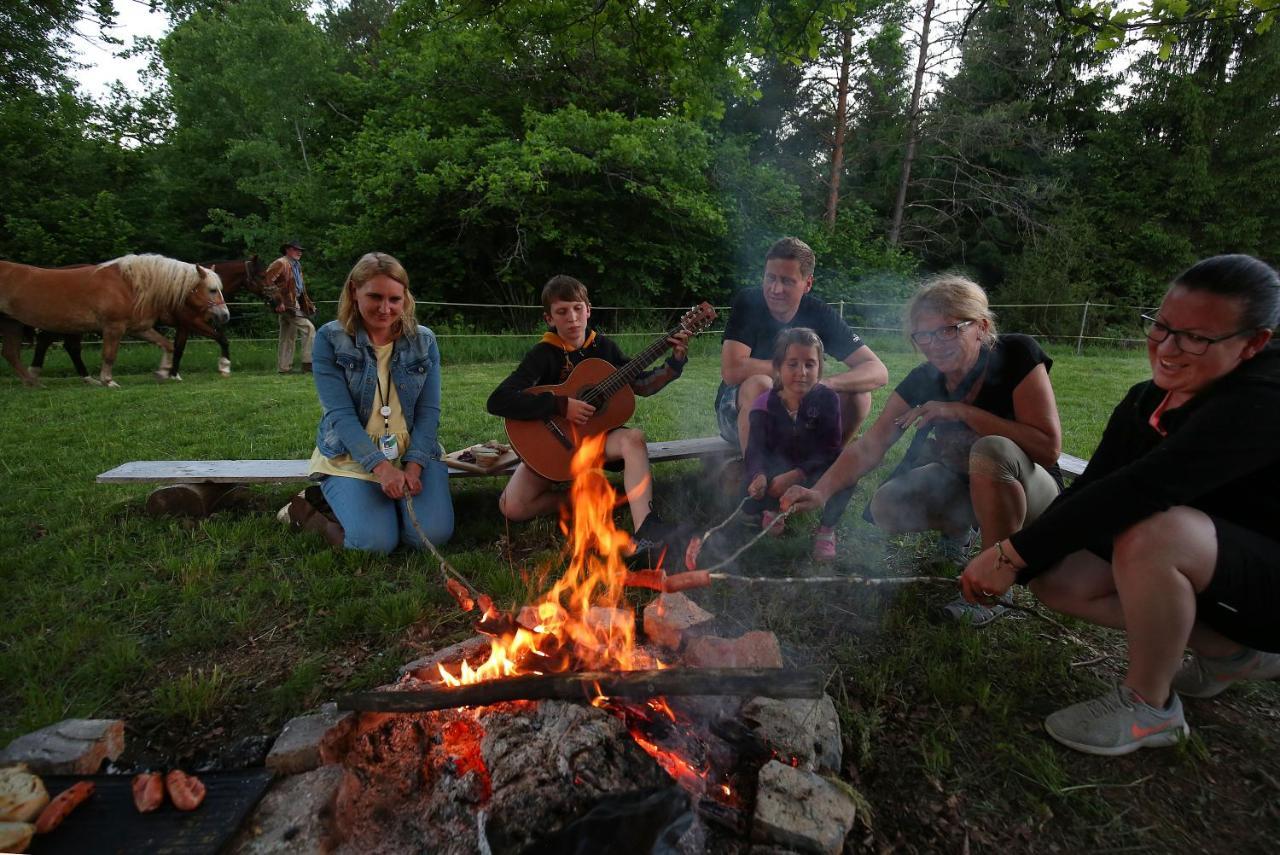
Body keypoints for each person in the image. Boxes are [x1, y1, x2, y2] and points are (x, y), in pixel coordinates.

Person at [958, 254, 1280, 756]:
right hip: (1221, 568)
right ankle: (1233, 655)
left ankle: (1151, 708)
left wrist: (1007, 555)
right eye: (1163, 327)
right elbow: (1094, 490)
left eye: (1196, 337)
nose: (1168, 349)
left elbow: (1144, 489)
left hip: (1265, 574)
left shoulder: (1264, 398)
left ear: (1254, 343)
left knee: (1157, 534)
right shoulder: (1144, 400)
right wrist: (1018, 568)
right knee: (1060, 582)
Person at [782, 275, 1063, 622]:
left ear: (981, 326)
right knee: (888, 504)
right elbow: (872, 444)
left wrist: (962, 412)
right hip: (969, 489)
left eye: (949, 330)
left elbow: (1048, 448)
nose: (934, 344)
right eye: (923, 335)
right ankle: (958, 531)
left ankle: (993, 590)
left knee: (991, 451)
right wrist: (821, 491)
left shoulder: (1016, 354)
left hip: (1035, 494)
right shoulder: (924, 379)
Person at [486, 274, 689, 553]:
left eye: (577, 308)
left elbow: (639, 384)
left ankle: (646, 528)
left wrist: (674, 364)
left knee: (634, 439)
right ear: (549, 319)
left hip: (595, 442)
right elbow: (499, 400)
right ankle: (581, 498)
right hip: (554, 446)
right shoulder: (543, 354)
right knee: (512, 507)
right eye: (562, 311)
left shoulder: (604, 348)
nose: (572, 318)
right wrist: (559, 405)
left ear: (588, 310)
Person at [295, 251, 453, 553]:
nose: (385, 308)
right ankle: (308, 510)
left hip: (412, 450)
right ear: (354, 292)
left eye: (395, 299)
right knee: (374, 544)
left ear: (405, 297)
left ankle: (379, 509)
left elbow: (429, 411)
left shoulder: (424, 340)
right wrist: (382, 469)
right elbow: (340, 415)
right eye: (375, 296)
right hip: (354, 452)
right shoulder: (331, 339)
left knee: (431, 536)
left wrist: (415, 467)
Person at [716, 237, 887, 453]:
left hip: (802, 409)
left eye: (787, 281)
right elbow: (732, 370)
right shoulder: (749, 303)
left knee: (859, 395)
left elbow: (878, 371)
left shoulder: (819, 313)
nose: (775, 289)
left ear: (807, 284)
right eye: (770, 278)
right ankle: (757, 473)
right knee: (761, 385)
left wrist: (824, 384)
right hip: (737, 410)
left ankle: (825, 465)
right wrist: (797, 370)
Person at [742, 328, 856, 561]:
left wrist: (798, 474)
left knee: (847, 470)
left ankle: (826, 530)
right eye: (792, 364)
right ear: (778, 367)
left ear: (819, 368)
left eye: (810, 364)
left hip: (813, 469)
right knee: (744, 499)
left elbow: (830, 449)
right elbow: (756, 449)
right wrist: (759, 475)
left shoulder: (828, 399)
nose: (801, 372)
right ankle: (773, 509)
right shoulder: (763, 404)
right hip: (777, 471)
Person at [264, 239, 317, 374]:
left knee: (288, 335)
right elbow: (267, 281)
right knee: (309, 328)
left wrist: (308, 304)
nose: (299, 252)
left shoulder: (296, 265)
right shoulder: (281, 263)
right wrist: (277, 302)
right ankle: (308, 363)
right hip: (287, 305)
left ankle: (284, 368)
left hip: (293, 304)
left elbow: (299, 288)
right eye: (296, 249)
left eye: (300, 250)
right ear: (287, 250)